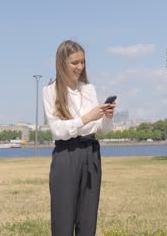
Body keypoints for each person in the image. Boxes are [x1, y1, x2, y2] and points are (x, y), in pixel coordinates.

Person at [42, 40, 116, 235]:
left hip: (91, 152)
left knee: (88, 220)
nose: (80, 67)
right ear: (62, 63)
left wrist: (107, 118)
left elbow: (100, 129)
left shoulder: (88, 89)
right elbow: (58, 130)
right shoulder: (50, 91)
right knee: (63, 219)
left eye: (82, 62)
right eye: (74, 63)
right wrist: (86, 118)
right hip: (66, 154)